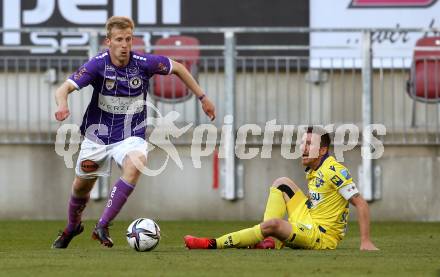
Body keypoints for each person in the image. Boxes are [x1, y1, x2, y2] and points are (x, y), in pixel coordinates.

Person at [52, 16, 215, 249]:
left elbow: (178, 68)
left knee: (137, 163)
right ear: (108, 42)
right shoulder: (98, 65)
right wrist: (62, 104)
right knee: (81, 187)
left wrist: (203, 97)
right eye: (119, 39)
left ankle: (103, 225)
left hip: (131, 134)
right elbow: (64, 88)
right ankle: (72, 227)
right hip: (97, 136)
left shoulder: (143, 62)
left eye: (129, 39)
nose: (125, 45)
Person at [184, 126, 379, 251]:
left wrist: (366, 241)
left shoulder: (334, 170)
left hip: (321, 236)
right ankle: (268, 241)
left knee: (274, 225)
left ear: (322, 150)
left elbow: (360, 203)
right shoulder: (314, 168)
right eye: (302, 142)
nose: (302, 146)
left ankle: (212, 243)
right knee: (282, 183)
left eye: (309, 143)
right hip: (309, 218)